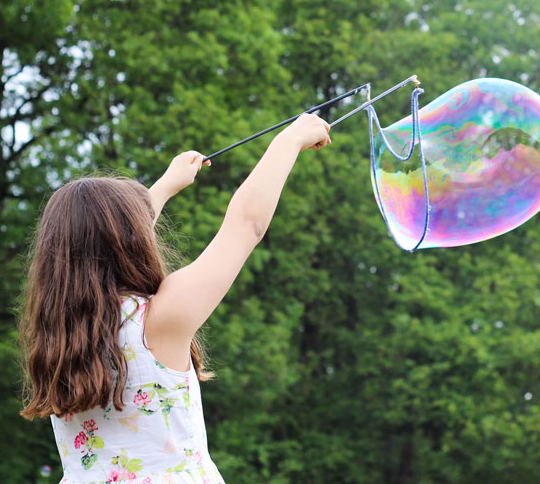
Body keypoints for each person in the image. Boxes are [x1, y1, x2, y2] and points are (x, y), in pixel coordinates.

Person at [18, 113, 332, 484]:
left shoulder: (58, 337)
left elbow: (102, 244)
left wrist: (165, 186)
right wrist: (289, 139)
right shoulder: (159, 320)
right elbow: (247, 223)